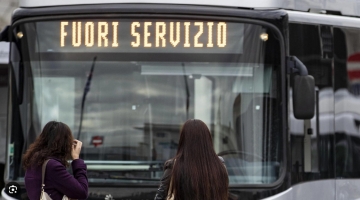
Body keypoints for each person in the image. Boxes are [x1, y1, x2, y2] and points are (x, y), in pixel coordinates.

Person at [154, 119, 229, 200]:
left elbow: (160, 196)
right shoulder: (219, 164)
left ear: (183, 140)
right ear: (208, 139)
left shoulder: (174, 165)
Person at [23, 121, 88, 200]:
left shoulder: (34, 161)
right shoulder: (53, 167)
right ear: (64, 143)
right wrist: (76, 159)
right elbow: (82, 192)